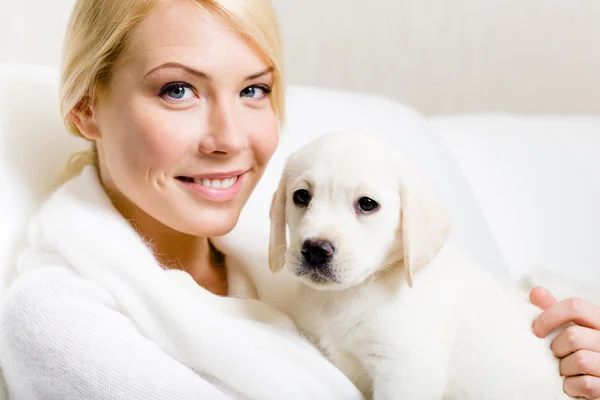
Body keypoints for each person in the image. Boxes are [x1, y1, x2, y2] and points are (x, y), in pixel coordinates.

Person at [0, 0, 597, 398]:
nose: (230, 139)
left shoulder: (284, 263)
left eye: (254, 90)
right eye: (178, 89)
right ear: (85, 107)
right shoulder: (58, 316)